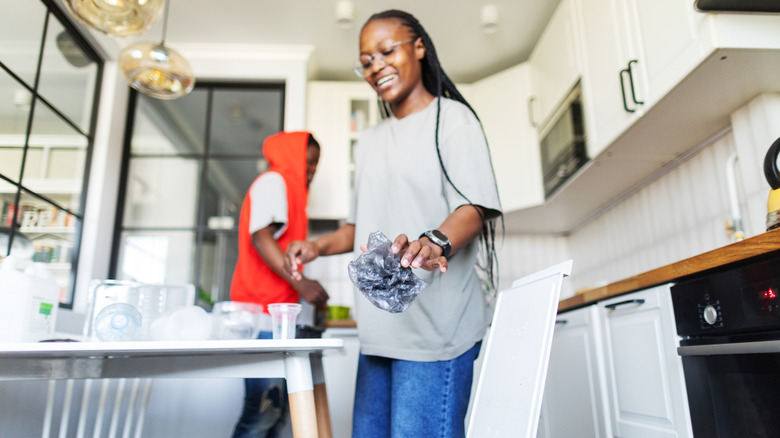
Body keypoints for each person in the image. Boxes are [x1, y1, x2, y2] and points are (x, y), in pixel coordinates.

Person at [284, 10, 502, 438]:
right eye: (366, 60)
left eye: (387, 51)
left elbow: (474, 207)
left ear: (419, 47)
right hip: (379, 331)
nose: (376, 66)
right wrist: (317, 246)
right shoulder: (368, 141)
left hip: (437, 333)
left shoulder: (453, 120)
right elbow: (356, 227)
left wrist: (433, 241)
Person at [229, 130, 329, 438]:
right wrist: (304, 286)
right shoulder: (274, 182)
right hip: (259, 314)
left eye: (316, 165)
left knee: (278, 417)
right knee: (261, 412)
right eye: (308, 162)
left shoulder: (292, 193)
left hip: (274, 317)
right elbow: (261, 238)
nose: (311, 170)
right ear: (291, 156)